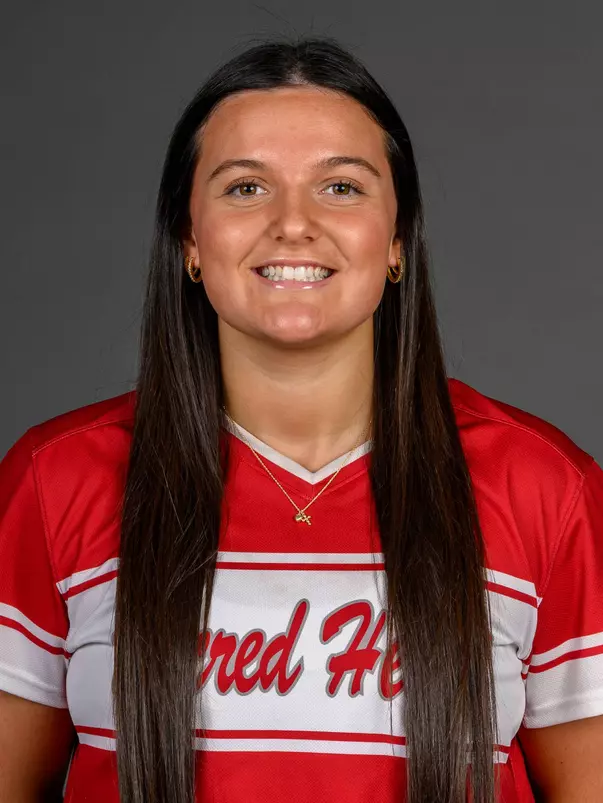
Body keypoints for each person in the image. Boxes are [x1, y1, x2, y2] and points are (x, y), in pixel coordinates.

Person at [0, 35, 602, 803]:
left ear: (395, 241)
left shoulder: (544, 487)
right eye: (245, 188)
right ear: (189, 239)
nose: (292, 223)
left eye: (341, 187)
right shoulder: (55, 481)